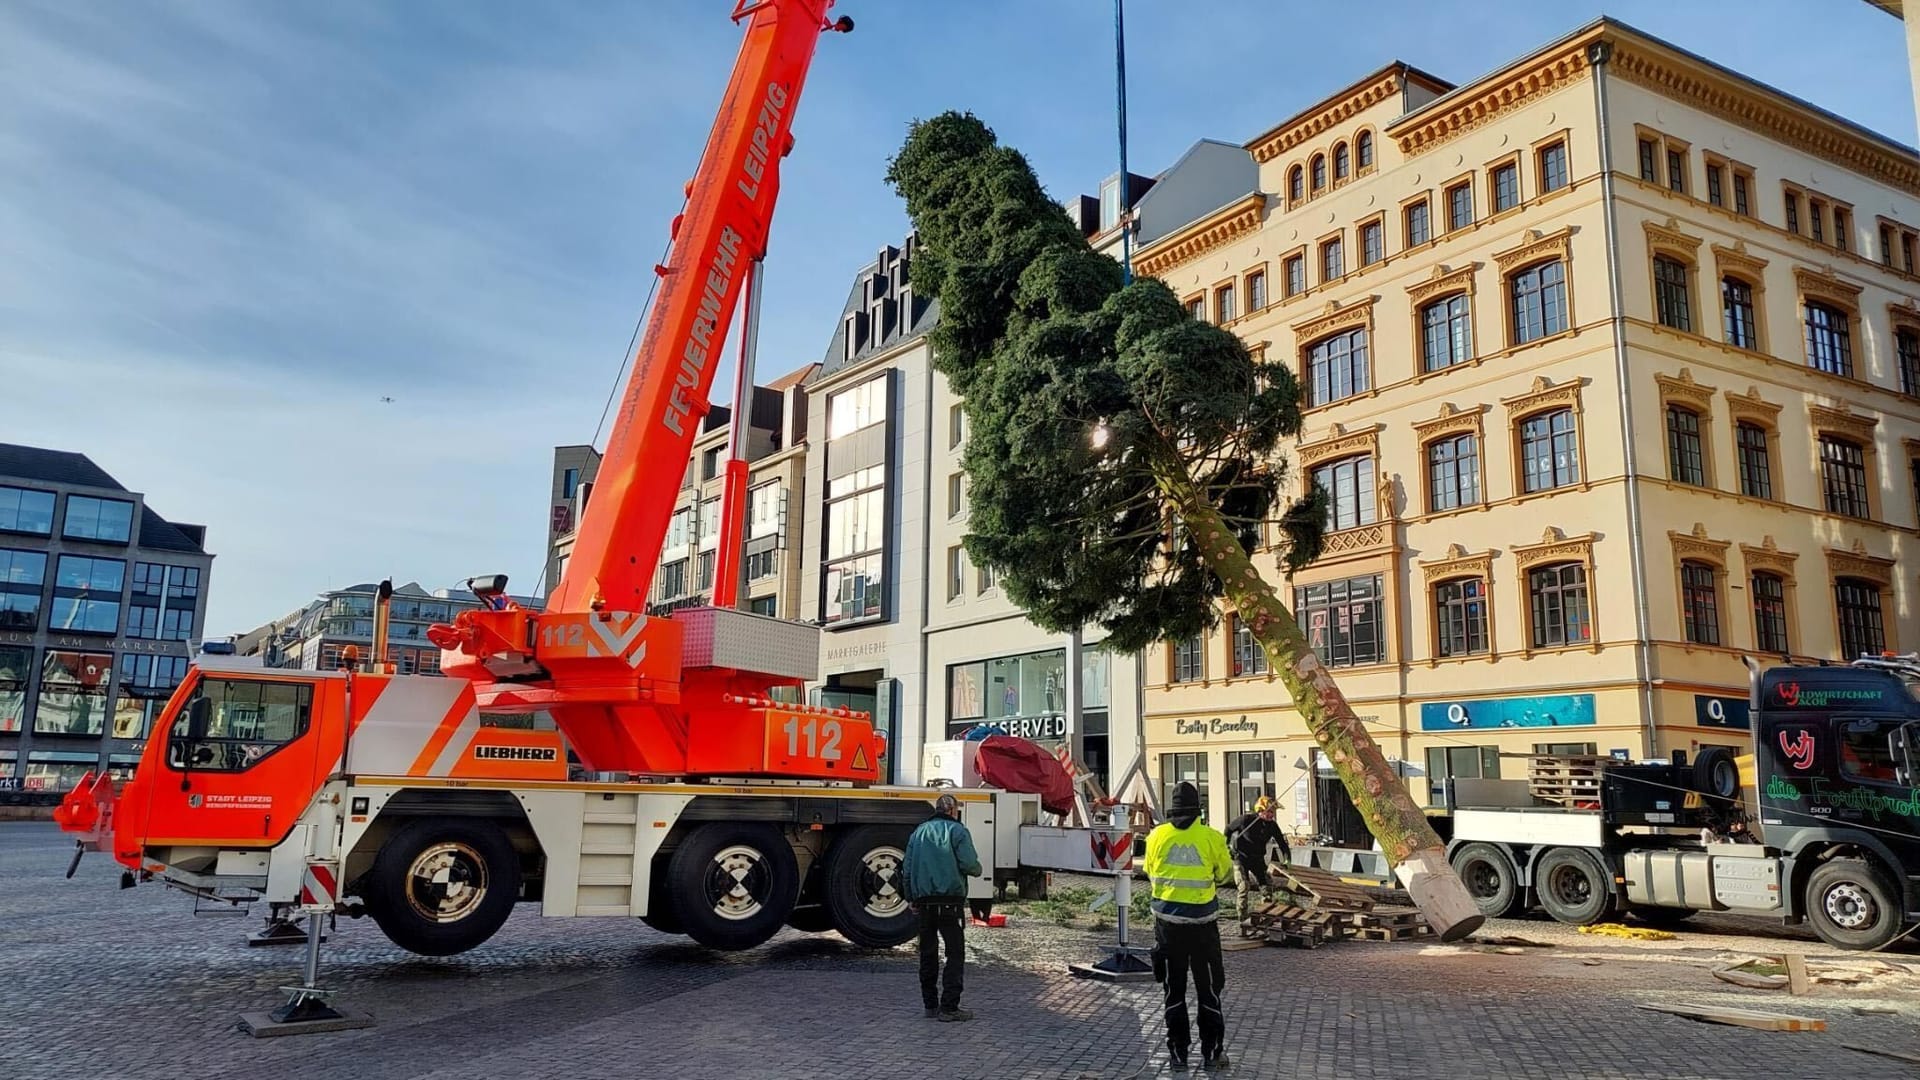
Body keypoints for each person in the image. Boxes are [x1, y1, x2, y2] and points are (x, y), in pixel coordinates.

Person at [1143, 781, 1235, 1070]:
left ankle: (1178, 1055)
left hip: (1167, 926)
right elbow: (1224, 875)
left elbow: (1149, 871)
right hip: (1203, 928)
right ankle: (1212, 1054)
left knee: (1174, 990)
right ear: (1199, 810)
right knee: (1208, 990)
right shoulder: (1211, 837)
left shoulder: (1156, 836)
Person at [901, 792, 982, 1022]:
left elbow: (906, 869)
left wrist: (911, 898)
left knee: (928, 954)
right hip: (950, 903)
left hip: (924, 903)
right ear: (953, 810)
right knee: (954, 954)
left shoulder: (918, 833)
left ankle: (930, 1005)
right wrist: (978, 870)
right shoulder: (958, 831)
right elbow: (969, 864)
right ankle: (949, 1007)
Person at [1224, 795, 1289, 936]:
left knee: (1267, 887)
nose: (1272, 815)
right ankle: (1243, 920)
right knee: (1243, 886)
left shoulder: (1272, 825)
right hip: (1240, 857)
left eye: (1273, 812)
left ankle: (1264, 919)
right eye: (1269, 812)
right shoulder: (1246, 820)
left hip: (1257, 859)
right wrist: (1227, 846)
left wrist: (1287, 858)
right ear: (1261, 810)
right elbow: (1228, 829)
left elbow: (1282, 843)